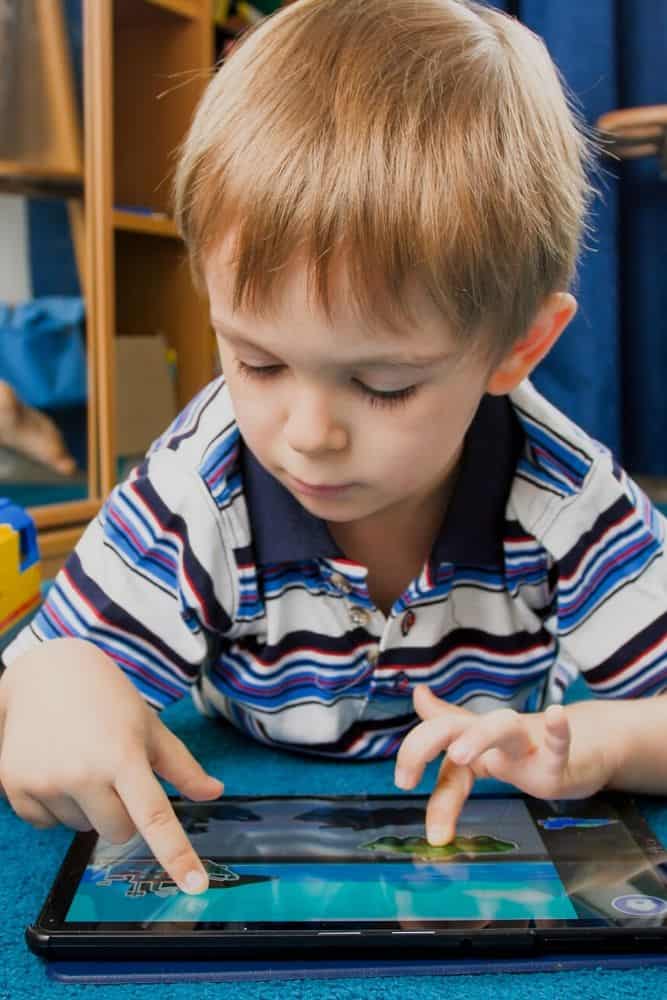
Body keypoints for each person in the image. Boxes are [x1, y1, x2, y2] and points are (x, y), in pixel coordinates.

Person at [1, 0, 667, 897]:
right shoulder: (200, 479)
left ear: (518, 348)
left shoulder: (565, 489)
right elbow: (39, 685)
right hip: (246, 757)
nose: (306, 434)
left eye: (385, 385)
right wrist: (54, 683)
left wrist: (593, 744)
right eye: (257, 361)